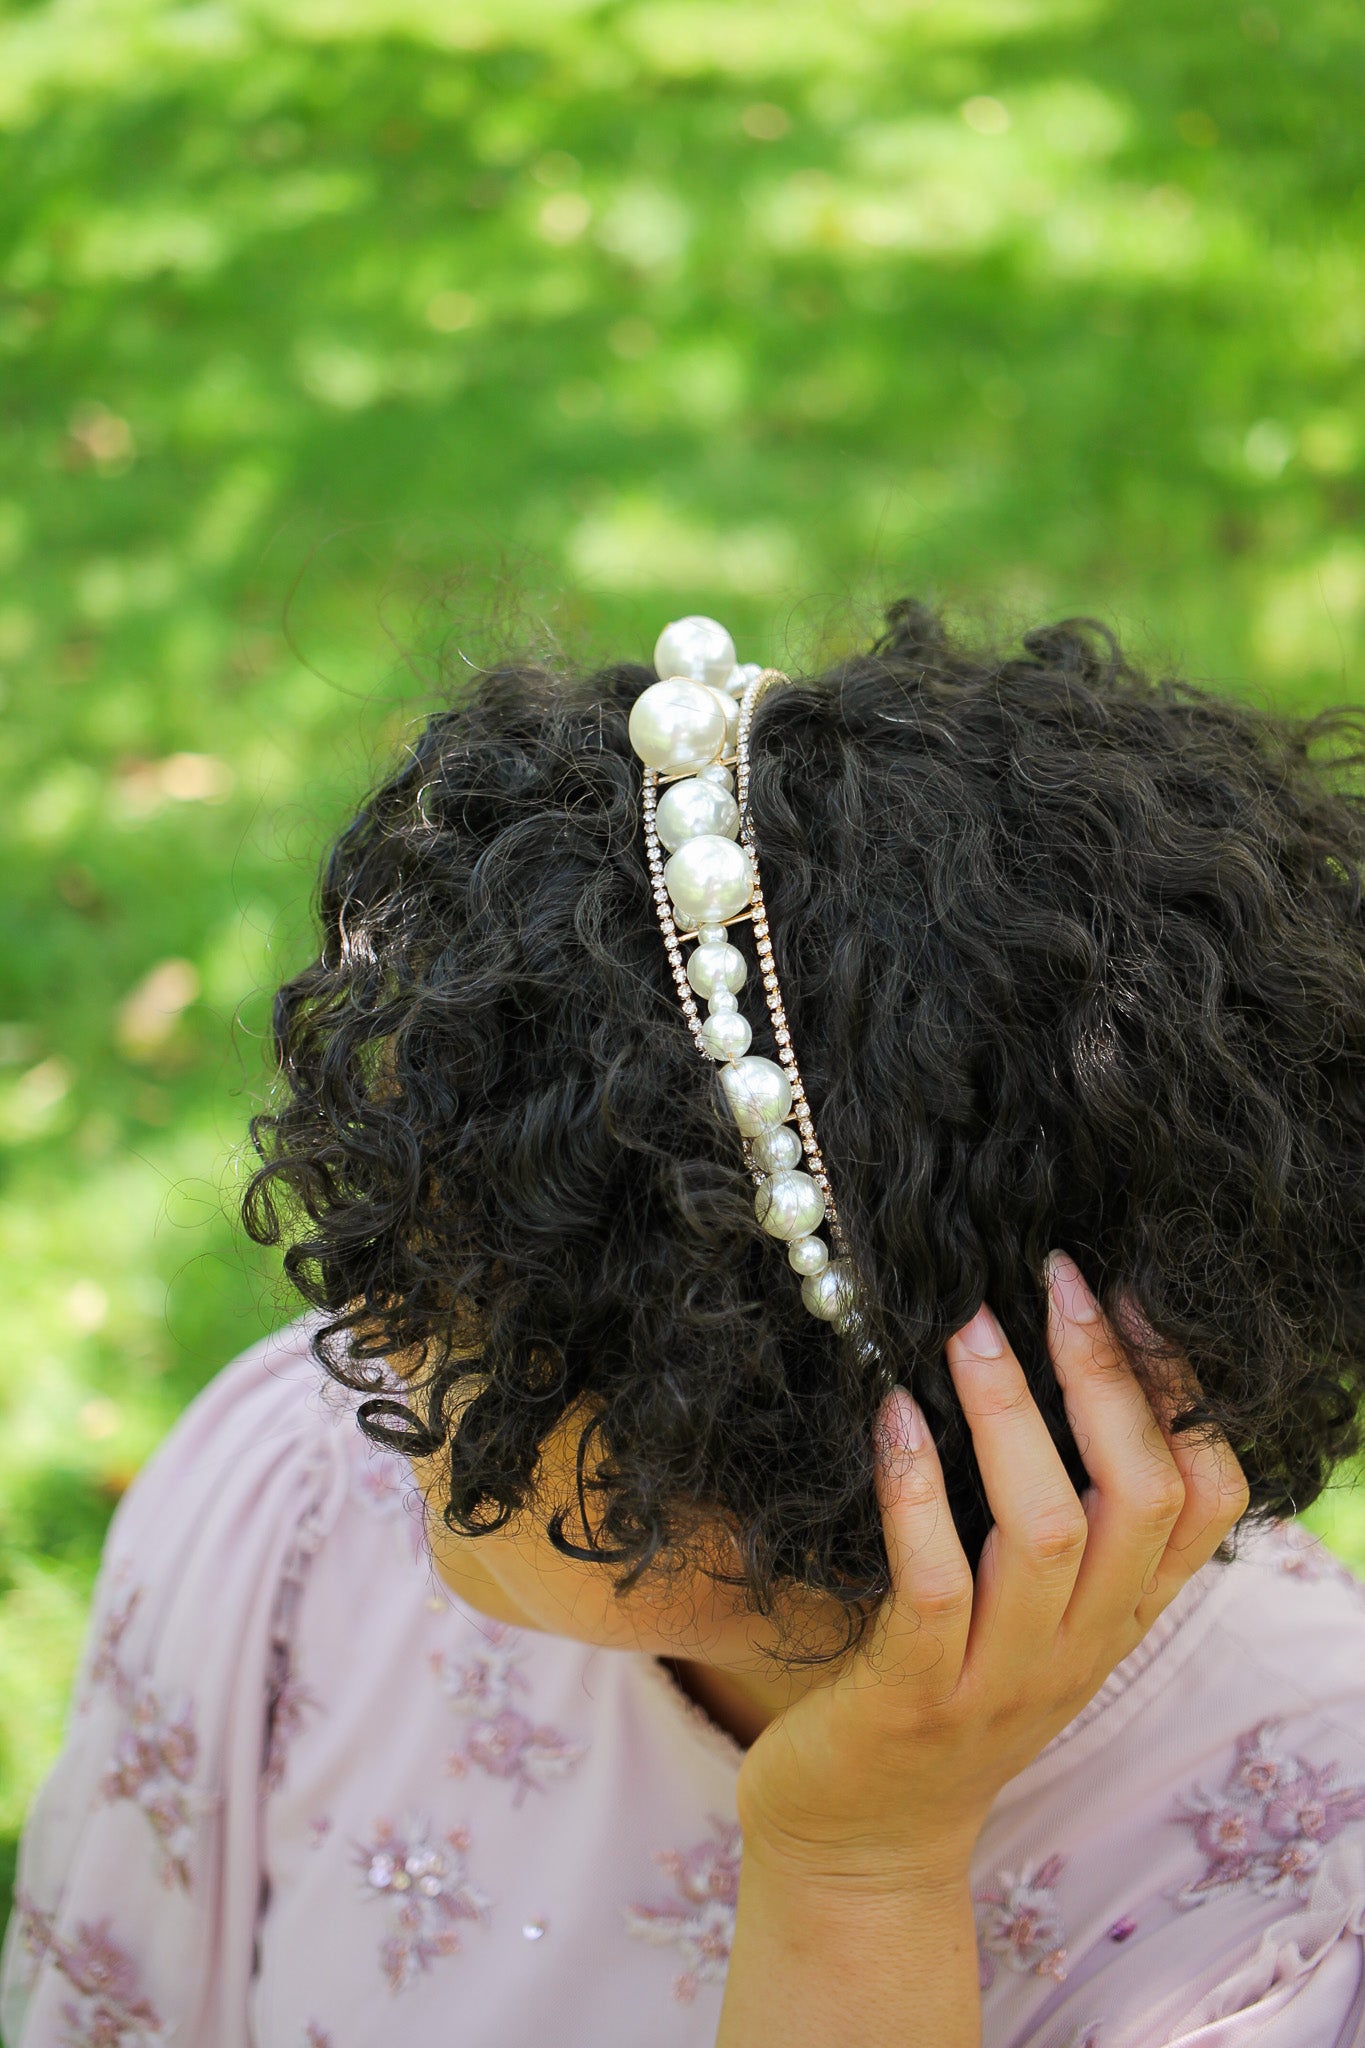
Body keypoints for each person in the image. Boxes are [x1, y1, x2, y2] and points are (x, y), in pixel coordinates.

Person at [4, 600, 1364, 2048]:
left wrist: (857, 1874)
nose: (372, 1325)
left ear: (782, 1425)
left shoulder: (1278, 1878)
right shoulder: (302, 1503)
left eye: (502, 1308)